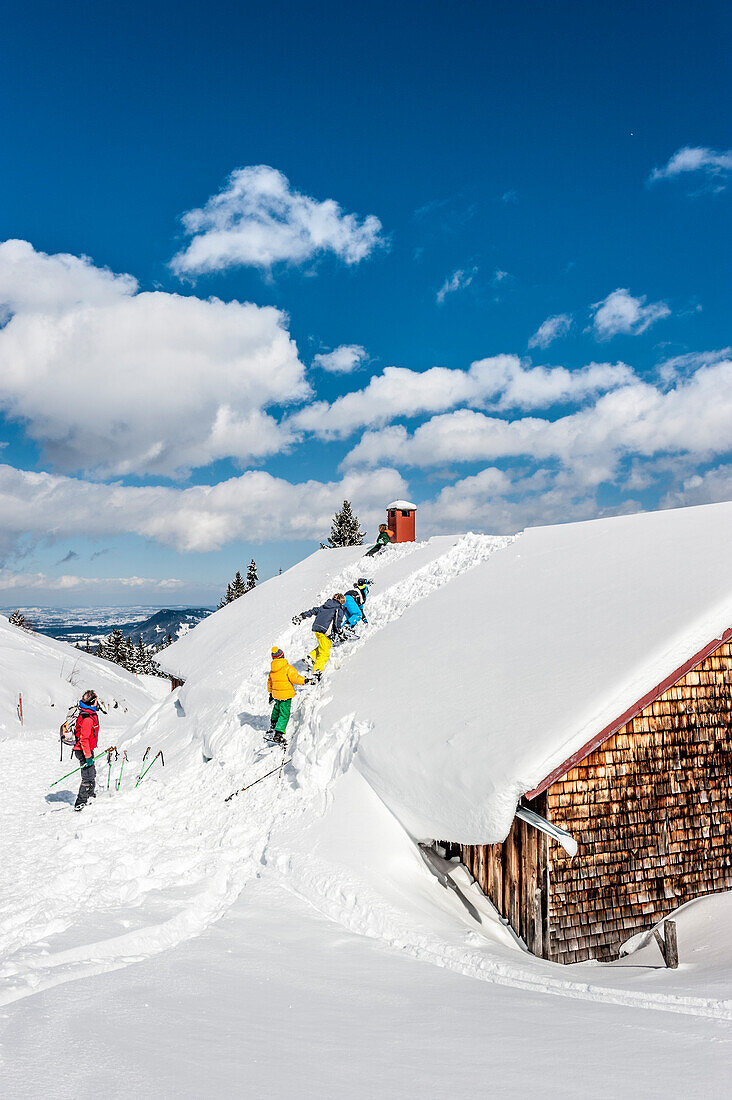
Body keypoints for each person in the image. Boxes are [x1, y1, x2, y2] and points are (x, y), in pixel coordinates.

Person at [292, 594, 346, 676]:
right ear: (342, 602)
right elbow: (337, 622)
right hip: (325, 630)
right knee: (325, 652)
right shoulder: (339, 609)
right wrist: (340, 632)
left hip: (317, 628)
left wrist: (302, 616)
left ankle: (311, 657)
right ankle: (317, 671)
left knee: (324, 646)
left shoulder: (325, 606)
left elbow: (313, 611)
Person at [267, 646, 308, 745]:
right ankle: (278, 733)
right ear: (283, 656)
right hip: (285, 695)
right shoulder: (287, 668)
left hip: (276, 694)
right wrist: (305, 680)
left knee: (277, 708)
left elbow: (270, 683)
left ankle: (273, 722)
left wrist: (270, 693)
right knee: (284, 713)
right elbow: (295, 678)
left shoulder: (272, 671)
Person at [73, 689, 100, 811]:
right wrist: (88, 757)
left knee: (92, 773)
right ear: (91, 703)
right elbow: (84, 739)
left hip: (87, 750)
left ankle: (90, 796)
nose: (97, 704)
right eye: (95, 702)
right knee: (87, 777)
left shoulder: (88, 713)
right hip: (83, 751)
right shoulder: (88, 718)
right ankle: (80, 802)